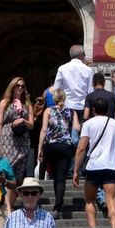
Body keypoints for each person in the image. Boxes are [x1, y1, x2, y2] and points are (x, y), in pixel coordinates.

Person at [73, 95, 115, 228]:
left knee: (89, 200)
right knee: (112, 201)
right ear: (108, 109)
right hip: (111, 166)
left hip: (94, 167)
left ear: (93, 109)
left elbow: (81, 148)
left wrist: (75, 170)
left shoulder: (88, 124)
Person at [36, 86, 79, 217]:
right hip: (65, 146)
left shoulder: (48, 111)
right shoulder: (72, 111)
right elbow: (77, 128)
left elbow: (44, 129)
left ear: (54, 98)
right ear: (64, 98)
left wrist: (40, 147)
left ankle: (56, 204)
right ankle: (58, 207)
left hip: (51, 146)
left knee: (55, 175)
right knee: (61, 178)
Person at [0, 77, 34, 187]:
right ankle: (4, 195)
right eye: (18, 85)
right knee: (7, 167)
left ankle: (13, 195)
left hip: (23, 139)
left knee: (19, 172)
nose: (20, 88)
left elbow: (31, 125)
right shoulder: (4, 103)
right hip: (7, 138)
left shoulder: (27, 104)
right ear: (12, 87)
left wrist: (23, 120)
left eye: (22, 86)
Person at [52, 45, 92, 123]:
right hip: (82, 107)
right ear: (81, 55)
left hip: (67, 105)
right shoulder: (88, 70)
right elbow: (90, 91)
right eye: (84, 55)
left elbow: (56, 89)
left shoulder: (62, 68)